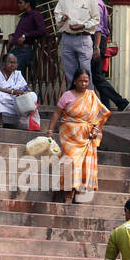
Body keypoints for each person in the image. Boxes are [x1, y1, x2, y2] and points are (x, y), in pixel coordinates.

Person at [49, 69, 109, 203]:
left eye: (86, 81)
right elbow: (57, 114)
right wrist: (50, 131)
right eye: (81, 81)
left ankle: (78, 193)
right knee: (70, 161)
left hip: (87, 137)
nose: (84, 84)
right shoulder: (67, 95)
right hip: (69, 136)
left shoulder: (92, 96)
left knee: (83, 165)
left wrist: (95, 130)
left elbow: (101, 114)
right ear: (75, 81)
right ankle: (68, 192)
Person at [85, 0, 128, 111]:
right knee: (98, 76)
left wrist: (97, 46)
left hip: (96, 40)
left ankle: (121, 102)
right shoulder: (99, 1)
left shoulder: (95, 3)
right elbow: (108, 24)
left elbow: (98, 26)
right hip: (99, 40)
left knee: (96, 76)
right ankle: (107, 104)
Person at [53, 0, 100, 91]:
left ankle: (89, 103)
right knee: (70, 73)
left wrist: (83, 26)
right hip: (67, 38)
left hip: (84, 38)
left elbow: (96, 19)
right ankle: (74, 102)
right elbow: (57, 14)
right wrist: (61, 18)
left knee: (85, 71)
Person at [0, 53, 34, 129]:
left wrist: (26, 91)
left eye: (15, 63)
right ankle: (0, 121)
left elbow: (25, 87)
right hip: (3, 98)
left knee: (33, 95)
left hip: (15, 100)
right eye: (11, 62)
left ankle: (23, 122)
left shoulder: (18, 74)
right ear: (4, 63)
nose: (13, 65)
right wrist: (12, 92)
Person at [7, 0, 47, 77]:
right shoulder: (24, 16)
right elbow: (21, 32)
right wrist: (12, 35)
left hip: (25, 50)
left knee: (14, 72)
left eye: (20, 2)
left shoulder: (36, 15)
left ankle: (15, 90)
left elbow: (42, 30)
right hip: (16, 50)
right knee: (0, 70)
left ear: (28, 4)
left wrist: (26, 36)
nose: (18, 5)